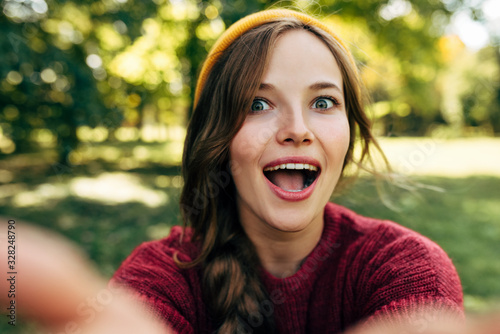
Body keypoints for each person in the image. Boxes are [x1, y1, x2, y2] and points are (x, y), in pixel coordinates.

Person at [110, 8, 464, 334]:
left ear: (349, 133)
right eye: (257, 104)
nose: (297, 129)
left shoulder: (409, 267)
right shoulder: (162, 276)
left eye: (322, 102)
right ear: (217, 137)